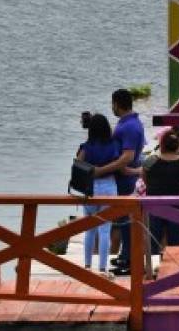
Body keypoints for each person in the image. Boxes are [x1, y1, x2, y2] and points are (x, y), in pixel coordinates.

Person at [91, 89, 145, 277]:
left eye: (112, 103)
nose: (111, 107)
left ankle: (130, 258)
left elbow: (127, 156)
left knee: (126, 220)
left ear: (117, 103)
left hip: (125, 181)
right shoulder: (130, 122)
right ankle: (124, 254)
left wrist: (101, 170)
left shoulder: (129, 127)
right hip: (125, 177)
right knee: (122, 219)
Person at [76, 114, 121, 274]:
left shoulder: (86, 147)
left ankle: (87, 265)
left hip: (90, 188)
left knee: (90, 229)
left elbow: (78, 164)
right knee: (105, 230)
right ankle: (103, 267)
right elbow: (118, 165)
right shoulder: (113, 145)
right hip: (108, 186)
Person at [142, 131, 179, 255]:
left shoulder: (151, 161)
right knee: (175, 241)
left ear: (162, 145)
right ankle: (173, 269)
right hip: (178, 207)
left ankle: (154, 269)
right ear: (177, 146)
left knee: (154, 241)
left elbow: (144, 176)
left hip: (155, 206)